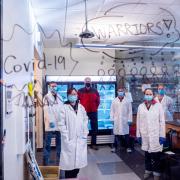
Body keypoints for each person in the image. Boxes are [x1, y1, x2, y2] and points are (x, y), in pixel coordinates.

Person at [58, 88, 89, 179]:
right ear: (68, 95)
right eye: (71, 94)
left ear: (77, 95)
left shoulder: (81, 107)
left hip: (80, 139)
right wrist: (66, 137)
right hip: (69, 139)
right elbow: (61, 124)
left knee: (77, 165)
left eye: (75, 94)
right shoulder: (64, 108)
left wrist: (85, 133)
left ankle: (74, 176)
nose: (73, 96)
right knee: (69, 165)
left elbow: (85, 120)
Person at [136, 88, 165, 180]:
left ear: (153, 95)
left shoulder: (158, 106)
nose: (148, 95)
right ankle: (148, 171)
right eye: (146, 94)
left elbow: (162, 121)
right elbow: (138, 121)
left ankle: (156, 173)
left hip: (155, 134)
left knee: (156, 156)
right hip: (145, 135)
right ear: (144, 95)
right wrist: (138, 135)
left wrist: (162, 135)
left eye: (150, 94)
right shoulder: (141, 106)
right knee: (147, 155)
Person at [43, 82, 63, 165]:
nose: (54, 87)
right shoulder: (46, 97)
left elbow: (62, 110)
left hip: (59, 124)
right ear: (49, 87)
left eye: (55, 86)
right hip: (50, 124)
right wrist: (51, 121)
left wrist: (62, 121)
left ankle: (59, 161)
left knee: (59, 144)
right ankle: (46, 161)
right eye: (52, 86)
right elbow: (46, 110)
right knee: (47, 144)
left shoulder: (60, 97)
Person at [78, 77, 100, 150]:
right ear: (84, 83)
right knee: (82, 128)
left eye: (89, 81)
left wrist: (95, 108)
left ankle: (93, 144)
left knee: (94, 128)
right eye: (86, 81)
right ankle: (82, 144)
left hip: (93, 112)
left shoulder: (95, 91)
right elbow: (77, 101)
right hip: (84, 112)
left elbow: (98, 101)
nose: (88, 82)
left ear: (91, 82)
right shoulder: (80, 91)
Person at [110, 87, 133, 153]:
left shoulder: (127, 100)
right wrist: (112, 119)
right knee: (116, 135)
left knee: (126, 135)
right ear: (117, 92)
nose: (120, 92)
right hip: (116, 120)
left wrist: (129, 120)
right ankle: (114, 147)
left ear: (123, 92)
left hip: (125, 120)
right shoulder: (114, 100)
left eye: (121, 91)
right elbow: (112, 110)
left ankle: (128, 147)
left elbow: (130, 111)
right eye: (119, 91)